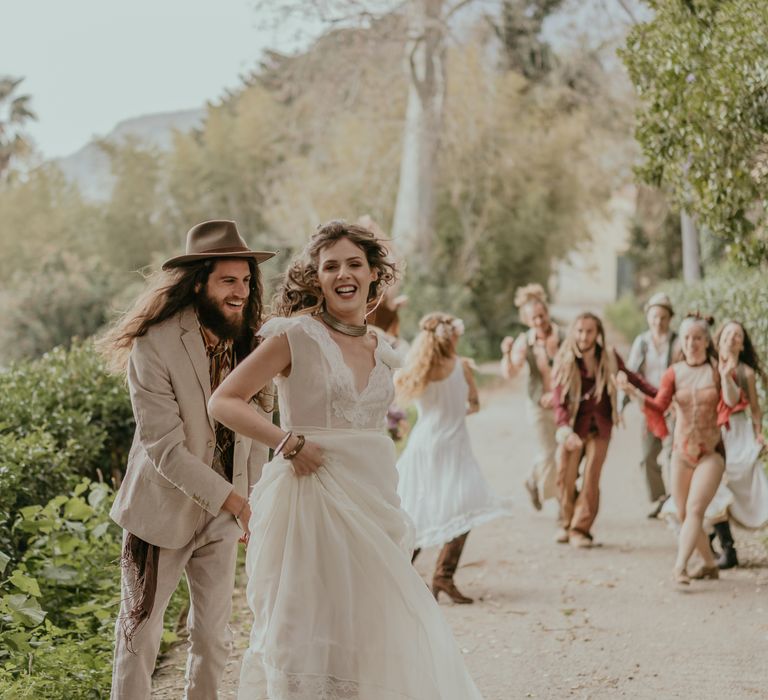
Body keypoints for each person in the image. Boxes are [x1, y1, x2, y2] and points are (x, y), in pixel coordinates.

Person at [209, 221, 484, 699]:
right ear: (316, 277)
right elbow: (225, 401)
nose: (343, 274)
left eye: (354, 264)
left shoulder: (385, 352)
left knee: (367, 630)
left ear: (374, 274)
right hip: (308, 501)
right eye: (330, 265)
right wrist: (288, 444)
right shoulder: (295, 336)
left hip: (371, 505)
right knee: (303, 628)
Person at [103, 220, 276, 699]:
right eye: (228, 281)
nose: (241, 291)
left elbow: (257, 428)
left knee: (213, 638)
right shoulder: (154, 343)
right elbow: (165, 451)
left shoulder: (252, 342)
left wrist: (254, 499)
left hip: (225, 510)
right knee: (140, 634)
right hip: (159, 511)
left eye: (246, 280)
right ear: (199, 281)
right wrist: (239, 502)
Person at [395, 312, 513, 604]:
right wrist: (460, 411)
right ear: (453, 337)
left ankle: (401, 572)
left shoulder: (418, 370)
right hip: (452, 444)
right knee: (464, 506)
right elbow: (473, 403)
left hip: (423, 445)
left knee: (420, 508)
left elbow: (395, 391)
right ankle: (443, 576)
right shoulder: (461, 367)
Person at [619, 314, 741, 584]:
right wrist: (633, 393)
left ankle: (680, 566)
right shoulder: (673, 373)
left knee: (696, 509)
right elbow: (659, 406)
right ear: (681, 341)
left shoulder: (715, 369)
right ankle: (709, 564)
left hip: (710, 452)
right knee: (684, 512)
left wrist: (726, 376)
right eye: (686, 337)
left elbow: (731, 401)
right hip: (681, 451)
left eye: (697, 337)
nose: (691, 343)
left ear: (706, 340)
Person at [552, 312, 656, 548]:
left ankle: (580, 529)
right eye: (579, 330)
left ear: (598, 333)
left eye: (589, 331)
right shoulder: (565, 358)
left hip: (600, 425)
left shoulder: (608, 357)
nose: (584, 336)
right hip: (573, 427)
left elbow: (633, 378)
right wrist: (564, 429)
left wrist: (660, 395)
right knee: (564, 477)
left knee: (591, 478)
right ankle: (566, 523)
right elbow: (559, 400)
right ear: (573, 332)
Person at [500, 284, 565, 510]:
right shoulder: (524, 342)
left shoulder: (564, 337)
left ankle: (532, 479)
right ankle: (561, 505)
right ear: (527, 320)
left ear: (548, 313)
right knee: (549, 453)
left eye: (542, 316)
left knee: (563, 452)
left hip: (564, 405)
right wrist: (507, 353)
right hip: (537, 405)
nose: (539, 321)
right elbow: (511, 373)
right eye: (534, 318)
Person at [711, 320, 768, 567]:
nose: (732, 339)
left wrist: (759, 433)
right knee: (714, 486)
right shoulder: (709, 364)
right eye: (728, 334)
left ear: (742, 343)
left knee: (748, 485)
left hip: (737, 431)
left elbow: (755, 409)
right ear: (719, 336)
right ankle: (725, 546)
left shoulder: (745, 372)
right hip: (712, 429)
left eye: (737, 336)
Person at [622, 292, 678, 518]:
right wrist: (622, 405)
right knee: (647, 457)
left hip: (672, 405)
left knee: (674, 454)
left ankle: (677, 499)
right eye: (655, 316)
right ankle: (659, 498)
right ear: (648, 317)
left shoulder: (677, 341)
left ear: (670, 318)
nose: (659, 322)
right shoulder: (642, 342)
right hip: (649, 405)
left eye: (663, 317)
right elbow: (631, 373)